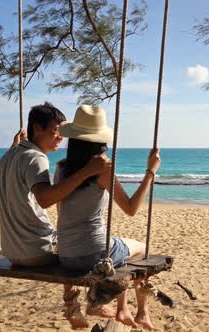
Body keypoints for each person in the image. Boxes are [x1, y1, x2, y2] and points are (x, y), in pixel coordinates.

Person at [54, 105, 160, 330]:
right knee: (142, 248)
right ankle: (136, 311)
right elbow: (131, 208)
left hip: (65, 255)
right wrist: (150, 172)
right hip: (92, 253)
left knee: (117, 247)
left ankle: (126, 310)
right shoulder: (103, 169)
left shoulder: (61, 169)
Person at [0, 102, 110, 266]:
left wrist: (13, 147)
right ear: (38, 128)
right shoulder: (36, 158)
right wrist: (87, 171)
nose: (61, 137)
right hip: (37, 251)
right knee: (76, 246)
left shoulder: (9, 156)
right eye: (56, 131)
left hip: (12, 253)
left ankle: (70, 292)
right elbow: (45, 199)